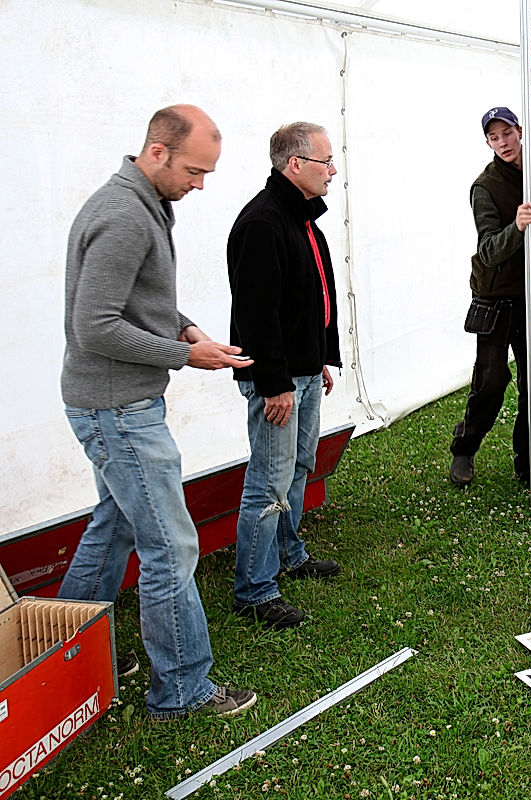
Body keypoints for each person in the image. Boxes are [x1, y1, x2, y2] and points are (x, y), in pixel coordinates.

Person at [58, 104, 256, 720]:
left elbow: (139, 303)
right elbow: (95, 327)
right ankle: (182, 690)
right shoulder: (123, 216)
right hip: (116, 408)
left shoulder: (142, 202)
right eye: (196, 171)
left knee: (114, 526)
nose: (200, 185)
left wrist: (188, 326)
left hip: (110, 402)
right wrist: (182, 354)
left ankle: (68, 652)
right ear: (158, 151)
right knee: (171, 547)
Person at [227, 122, 343, 629]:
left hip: (301, 371)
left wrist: (318, 356)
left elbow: (310, 298)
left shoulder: (301, 220)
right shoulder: (262, 222)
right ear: (294, 165)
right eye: (325, 162)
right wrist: (274, 382)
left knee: (297, 468)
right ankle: (254, 590)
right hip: (278, 381)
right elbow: (257, 315)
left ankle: (288, 555)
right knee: (268, 482)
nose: (333, 170)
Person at [449, 106, 531, 487]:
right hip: (496, 296)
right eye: (493, 137)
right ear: (488, 141)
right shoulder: (484, 187)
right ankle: (463, 450)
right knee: (490, 382)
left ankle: (527, 459)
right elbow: (487, 250)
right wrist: (516, 226)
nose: (502, 142)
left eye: (506, 133)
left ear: (520, 131)